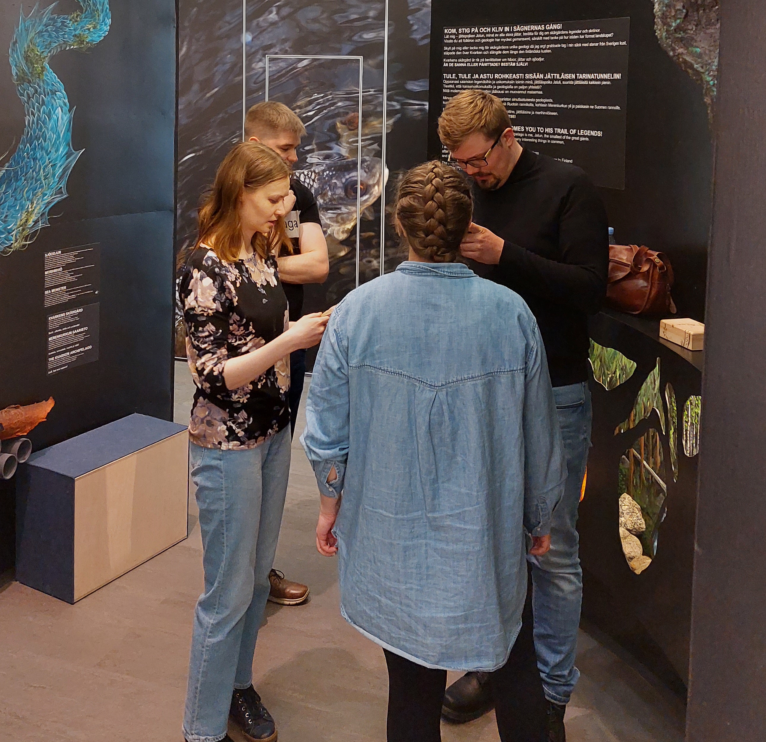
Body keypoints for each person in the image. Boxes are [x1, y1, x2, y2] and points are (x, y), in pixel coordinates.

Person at [301, 161, 567, 742]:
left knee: (412, 687)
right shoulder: (511, 315)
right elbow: (539, 432)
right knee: (517, 664)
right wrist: (541, 514)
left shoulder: (356, 313)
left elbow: (325, 431)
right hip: (487, 532)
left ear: (400, 223)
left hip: (393, 539)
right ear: (466, 225)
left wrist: (329, 503)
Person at [436, 90, 609, 742]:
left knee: (553, 551)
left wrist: (506, 255)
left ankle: (552, 693)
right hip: (481, 392)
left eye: (477, 161)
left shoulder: (569, 187)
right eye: (460, 165)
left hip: (555, 393)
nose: (471, 174)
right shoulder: (469, 193)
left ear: (508, 136)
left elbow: (588, 290)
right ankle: (493, 668)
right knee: (490, 543)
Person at [179, 141, 328, 742]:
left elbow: (262, 338)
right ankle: (201, 729)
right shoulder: (202, 267)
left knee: (255, 575)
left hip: (270, 433)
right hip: (227, 445)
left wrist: (300, 332)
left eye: (287, 197)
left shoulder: (259, 252)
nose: (283, 210)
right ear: (240, 193)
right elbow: (213, 373)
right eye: (272, 199)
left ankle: (237, 686)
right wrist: (291, 342)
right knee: (227, 591)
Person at [245, 100, 331, 607]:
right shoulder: (223, 196)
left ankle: (261, 571)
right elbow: (225, 263)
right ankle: (243, 579)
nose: (296, 158)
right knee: (243, 466)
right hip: (247, 351)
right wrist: (272, 265)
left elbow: (317, 265)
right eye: (285, 149)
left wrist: (261, 264)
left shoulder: (298, 195)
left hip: (290, 345)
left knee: (277, 457)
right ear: (255, 147)